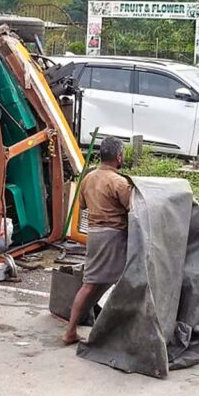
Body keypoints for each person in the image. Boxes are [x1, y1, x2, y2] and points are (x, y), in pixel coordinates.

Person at [62, 136, 132, 345]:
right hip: (113, 236)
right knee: (121, 282)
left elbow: (82, 206)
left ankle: (71, 330)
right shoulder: (119, 182)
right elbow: (133, 209)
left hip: (94, 234)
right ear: (119, 157)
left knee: (92, 283)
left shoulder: (89, 178)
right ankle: (120, 331)